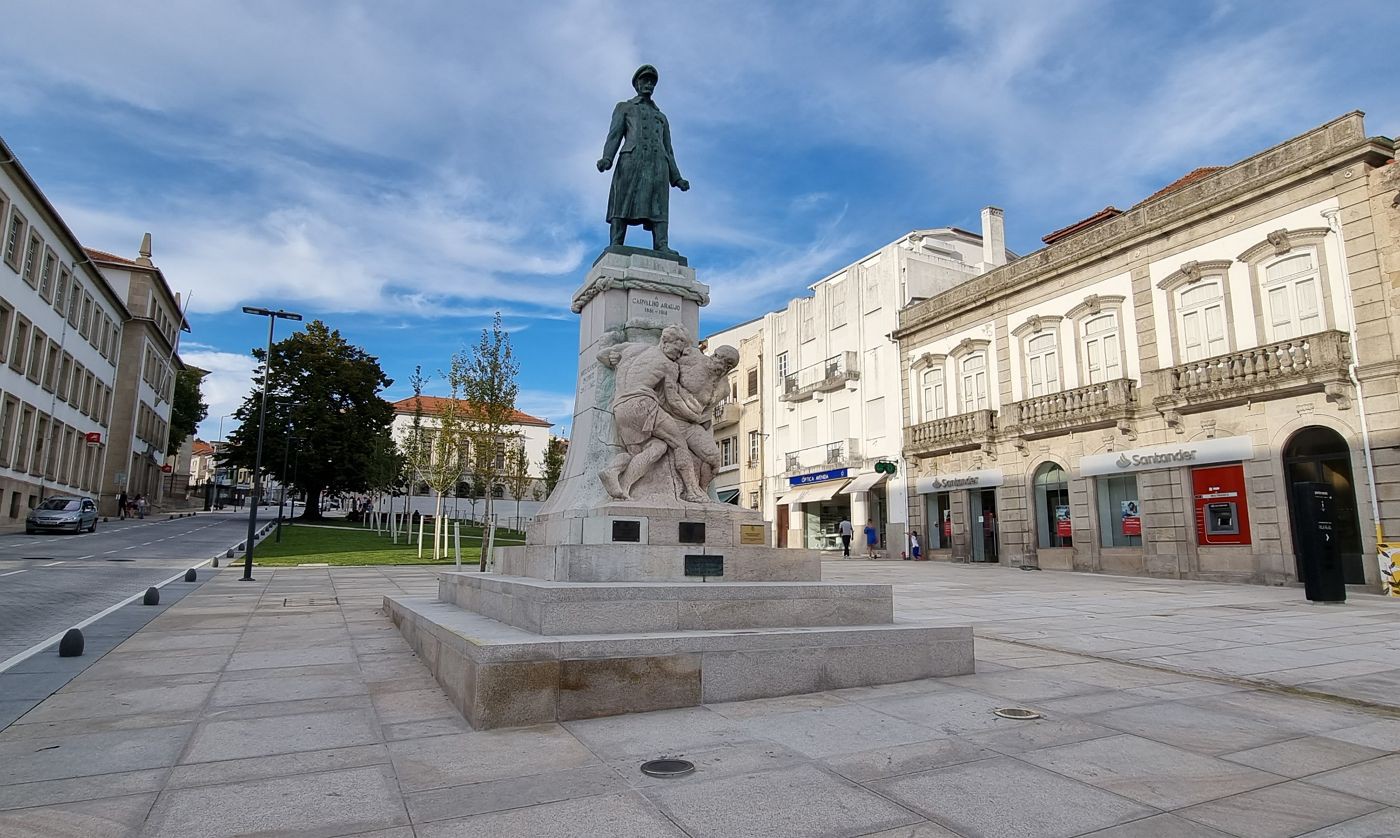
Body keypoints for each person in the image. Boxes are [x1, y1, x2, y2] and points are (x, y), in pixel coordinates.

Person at [597, 64, 690, 256]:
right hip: (631, 161)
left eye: (651, 82)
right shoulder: (625, 107)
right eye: (644, 80)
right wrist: (607, 158)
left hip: (658, 165)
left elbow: (669, 150)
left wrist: (677, 178)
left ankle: (661, 244)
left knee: (659, 206)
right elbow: (614, 136)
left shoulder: (661, 117)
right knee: (622, 200)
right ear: (637, 83)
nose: (648, 84)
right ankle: (616, 241)